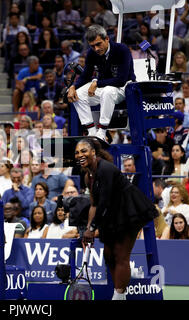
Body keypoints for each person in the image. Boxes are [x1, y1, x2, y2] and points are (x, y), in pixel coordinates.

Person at [75, 137, 157, 300]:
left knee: (120, 254)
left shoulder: (106, 169)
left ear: (93, 152)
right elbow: (94, 204)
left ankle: (118, 295)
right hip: (111, 214)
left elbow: (104, 201)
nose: (79, 155)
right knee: (108, 255)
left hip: (129, 210)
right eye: (77, 152)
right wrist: (88, 229)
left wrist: (92, 230)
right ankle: (121, 290)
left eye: (84, 151)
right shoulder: (87, 176)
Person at [67, 25, 136, 141]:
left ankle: (102, 132)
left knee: (107, 91)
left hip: (124, 88)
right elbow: (85, 76)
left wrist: (96, 83)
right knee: (77, 94)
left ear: (107, 39)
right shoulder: (92, 53)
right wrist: (73, 87)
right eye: (92, 46)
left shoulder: (122, 50)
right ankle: (92, 131)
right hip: (103, 86)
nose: (96, 49)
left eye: (98, 44)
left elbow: (121, 80)